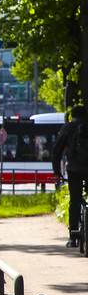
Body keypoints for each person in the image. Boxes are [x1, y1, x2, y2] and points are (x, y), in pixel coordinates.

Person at [52, 105, 88, 247]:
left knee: (75, 201)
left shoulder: (68, 127)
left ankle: (73, 237)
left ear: (72, 116)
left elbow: (57, 150)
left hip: (74, 169)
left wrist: (56, 172)